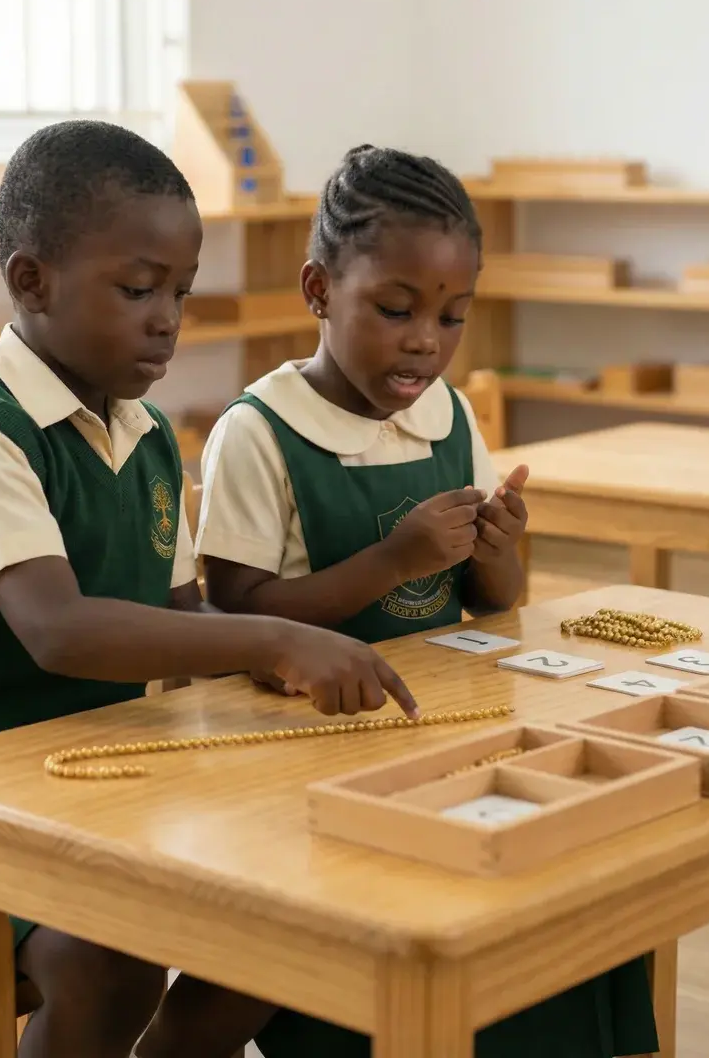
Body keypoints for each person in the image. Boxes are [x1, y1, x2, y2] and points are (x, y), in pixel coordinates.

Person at [0, 122, 419, 1058]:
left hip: (99, 775)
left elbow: (179, 617)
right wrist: (268, 640)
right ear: (31, 281)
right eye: (138, 288)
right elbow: (60, 631)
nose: (167, 319)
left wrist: (271, 673)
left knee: (278, 910)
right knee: (105, 960)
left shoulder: (147, 437)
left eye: (180, 293)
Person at [193, 145, 659, 1058]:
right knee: (416, 919)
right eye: (395, 310)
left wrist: (498, 548)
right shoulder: (257, 433)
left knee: (569, 872)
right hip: (299, 750)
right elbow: (239, 619)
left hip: (434, 720)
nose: (424, 342)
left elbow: (496, 606)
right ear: (319, 290)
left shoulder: (447, 414)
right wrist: (395, 558)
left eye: (452, 317)